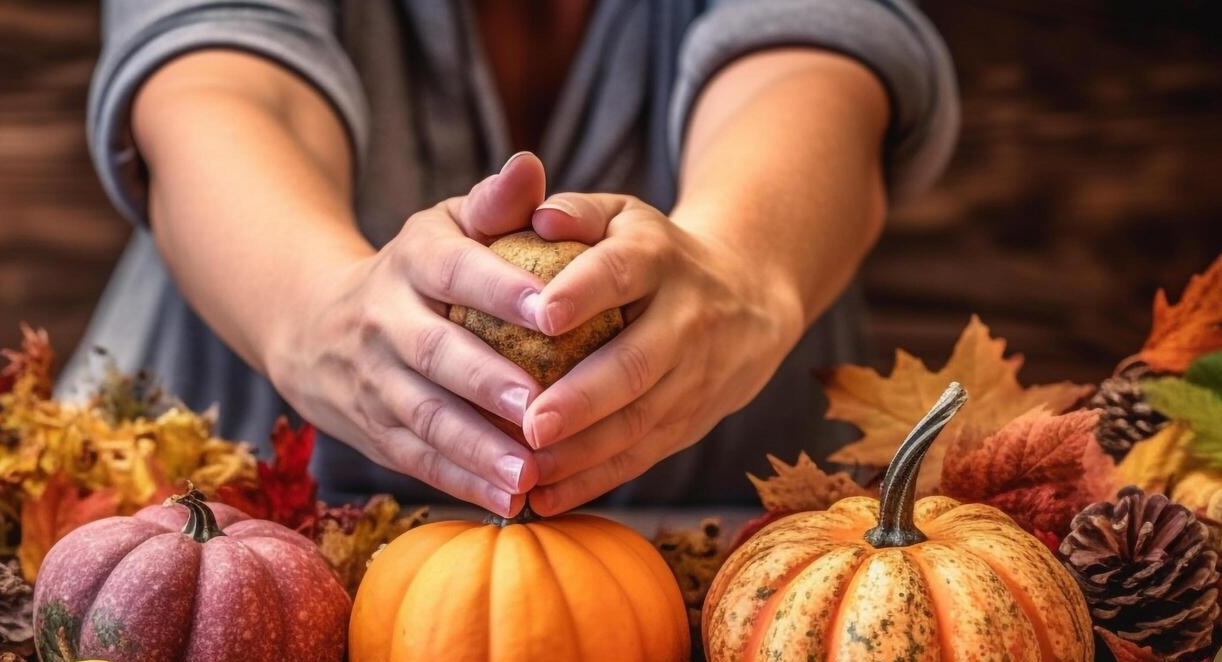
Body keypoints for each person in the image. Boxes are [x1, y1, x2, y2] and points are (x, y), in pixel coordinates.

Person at [72, 0, 957, 517]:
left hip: (734, 549)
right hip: (212, 520)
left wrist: (743, 270)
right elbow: (216, 79)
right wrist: (310, 311)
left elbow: (816, 59)